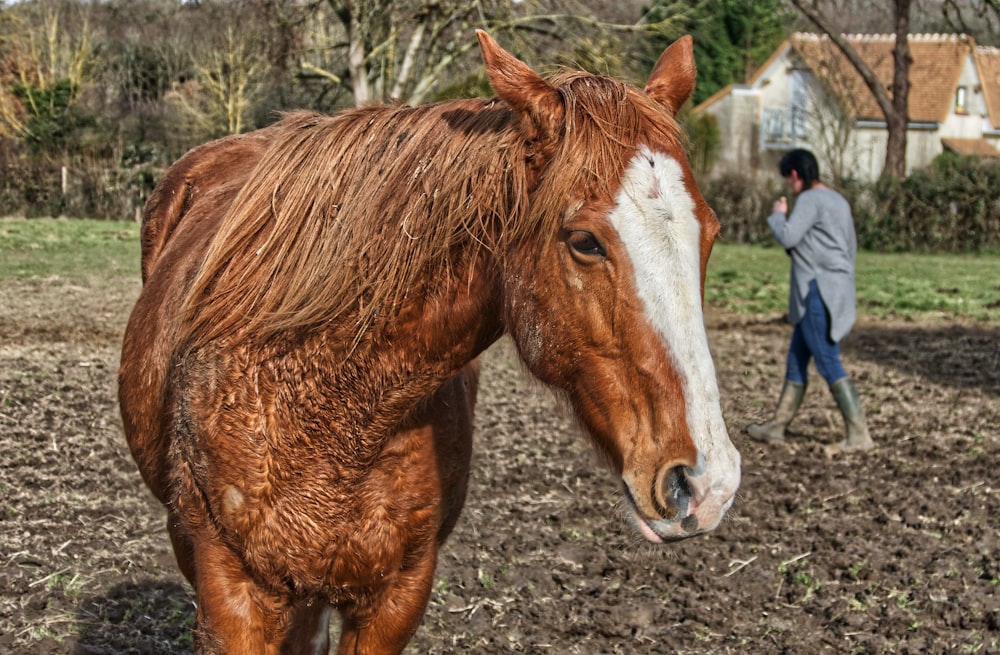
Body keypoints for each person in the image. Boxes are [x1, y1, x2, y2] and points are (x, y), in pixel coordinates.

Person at [746, 149, 873, 456]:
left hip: (819, 291)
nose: (789, 187)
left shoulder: (810, 200)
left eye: (787, 180)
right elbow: (847, 248)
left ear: (794, 175)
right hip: (837, 287)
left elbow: (789, 237)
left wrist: (777, 214)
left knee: (828, 361)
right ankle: (776, 426)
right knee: (796, 359)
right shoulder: (838, 200)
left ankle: (859, 435)